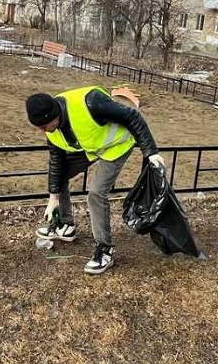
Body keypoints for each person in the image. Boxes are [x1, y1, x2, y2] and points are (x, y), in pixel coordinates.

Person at [25, 86, 166, 275]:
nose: (41, 132)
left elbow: (133, 116)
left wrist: (150, 152)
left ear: (53, 116)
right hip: (91, 146)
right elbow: (56, 162)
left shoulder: (91, 103)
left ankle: (105, 250)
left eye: (43, 127)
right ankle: (65, 225)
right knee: (61, 176)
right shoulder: (52, 127)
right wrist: (53, 198)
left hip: (117, 145)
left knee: (96, 194)